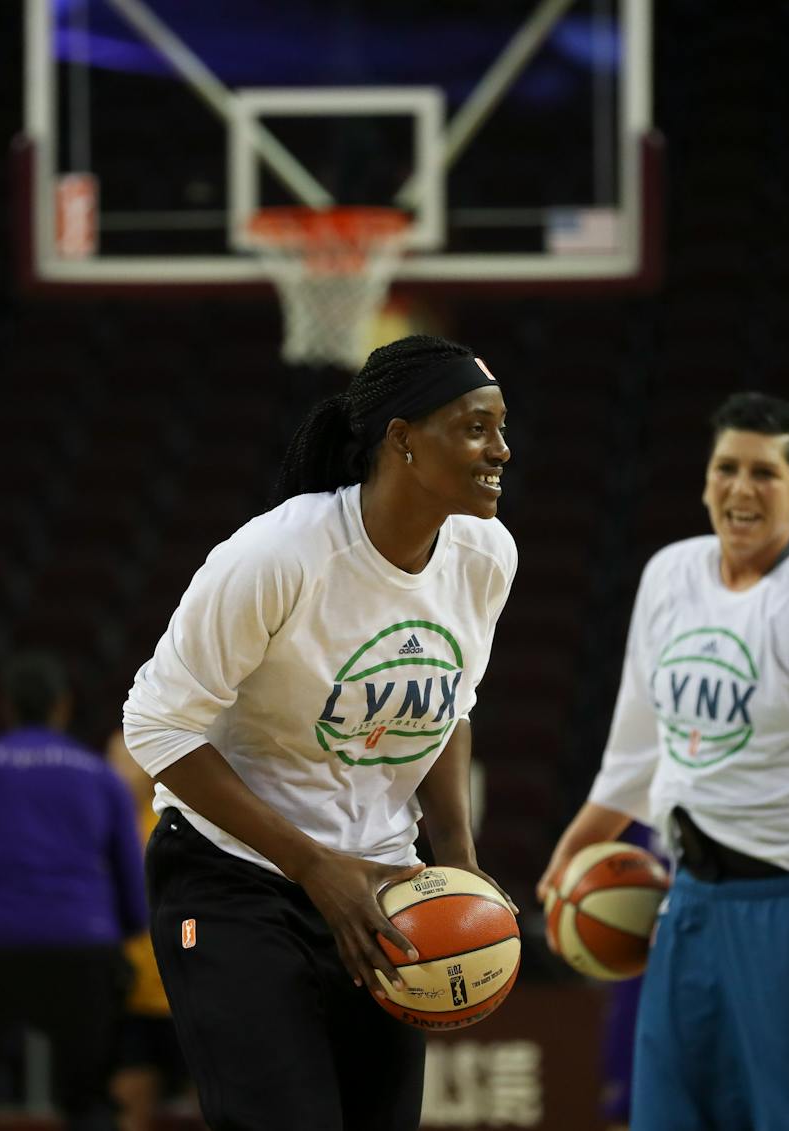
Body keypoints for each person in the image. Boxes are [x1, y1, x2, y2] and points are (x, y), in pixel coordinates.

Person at [123, 333, 517, 1131]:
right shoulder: (279, 555)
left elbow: (449, 710)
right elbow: (156, 725)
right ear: (402, 440)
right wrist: (312, 864)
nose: (501, 450)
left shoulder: (485, 555)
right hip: (233, 878)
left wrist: (462, 865)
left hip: (384, 891)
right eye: (476, 427)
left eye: (502, 427)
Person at [538, 392, 789, 1130]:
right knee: (671, 1116)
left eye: (765, 472)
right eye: (727, 468)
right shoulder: (668, 576)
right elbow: (634, 750)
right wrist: (574, 850)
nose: (742, 488)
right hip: (689, 903)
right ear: (705, 481)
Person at [0, 652, 147, 1131]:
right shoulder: (100, 777)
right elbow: (130, 887)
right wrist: (121, 934)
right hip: (82, 948)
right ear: (62, 706)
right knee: (91, 1102)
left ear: (5, 707)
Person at [104, 728, 198, 1131]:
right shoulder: (107, 828)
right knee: (129, 1107)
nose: (119, 767)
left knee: (223, 1106)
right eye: (113, 757)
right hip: (134, 998)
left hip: (194, 993)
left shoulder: (187, 817)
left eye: (126, 756)